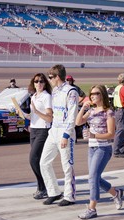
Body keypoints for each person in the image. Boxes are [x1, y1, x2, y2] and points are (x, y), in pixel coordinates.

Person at [76, 85, 123, 220]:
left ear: (102, 95)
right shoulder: (91, 111)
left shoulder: (108, 112)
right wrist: (83, 108)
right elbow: (78, 122)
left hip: (103, 148)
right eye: (91, 94)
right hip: (92, 148)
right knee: (94, 177)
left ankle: (92, 209)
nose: (92, 96)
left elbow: (111, 134)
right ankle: (116, 193)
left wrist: (94, 136)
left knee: (92, 178)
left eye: (95, 93)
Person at [40, 64, 79, 206]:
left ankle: (70, 196)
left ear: (57, 77)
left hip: (65, 133)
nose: (49, 79)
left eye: (50, 77)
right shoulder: (55, 91)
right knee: (44, 162)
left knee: (67, 165)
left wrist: (66, 135)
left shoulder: (71, 91)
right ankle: (54, 192)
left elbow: (72, 116)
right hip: (53, 132)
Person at [23, 73, 53, 199]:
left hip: (43, 130)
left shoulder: (46, 97)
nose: (39, 83)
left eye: (41, 81)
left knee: (33, 159)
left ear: (45, 83)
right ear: (33, 83)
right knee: (38, 161)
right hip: (34, 130)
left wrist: (36, 112)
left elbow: (49, 117)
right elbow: (33, 115)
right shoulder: (34, 96)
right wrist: (26, 116)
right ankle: (44, 187)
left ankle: (43, 187)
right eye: (36, 81)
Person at [66, 75, 86, 141]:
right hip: (66, 108)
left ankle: (75, 138)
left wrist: (78, 102)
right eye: (67, 80)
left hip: (74, 108)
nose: (69, 82)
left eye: (70, 80)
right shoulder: (64, 88)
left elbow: (83, 95)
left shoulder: (75, 88)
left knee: (74, 122)